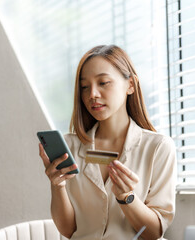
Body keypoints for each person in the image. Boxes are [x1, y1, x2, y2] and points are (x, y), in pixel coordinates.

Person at [39, 45, 176, 240]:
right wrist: (57, 186)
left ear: (131, 85)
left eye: (103, 82)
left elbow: (153, 232)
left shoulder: (158, 147)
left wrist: (126, 197)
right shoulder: (70, 147)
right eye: (85, 86)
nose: (92, 94)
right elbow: (69, 231)